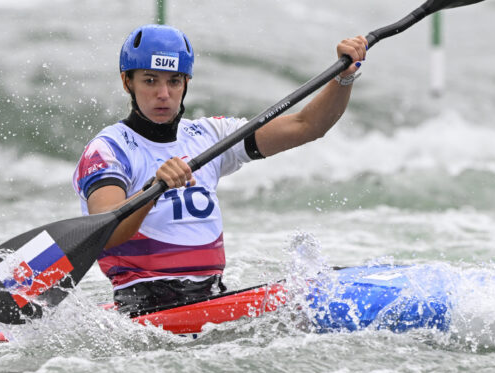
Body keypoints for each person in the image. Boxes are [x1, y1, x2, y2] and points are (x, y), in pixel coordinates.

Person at [72, 24, 366, 315]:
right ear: (127, 82)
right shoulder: (108, 149)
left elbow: (307, 126)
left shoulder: (209, 135)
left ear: (186, 83)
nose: (163, 94)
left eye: (174, 81)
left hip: (211, 295)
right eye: (150, 81)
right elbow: (105, 230)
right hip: (145, 305)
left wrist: (343, 79)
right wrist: (151, 190)